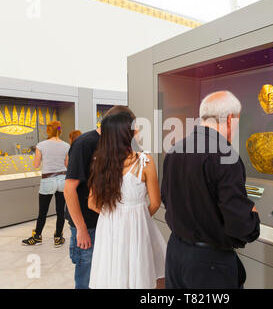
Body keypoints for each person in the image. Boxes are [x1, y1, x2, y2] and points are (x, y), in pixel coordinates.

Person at [161, 90, 260, 289]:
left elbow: (167, 197)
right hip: (209, 263)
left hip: (175, 253)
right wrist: (252, 216)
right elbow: (239, 223)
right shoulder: (226, 156)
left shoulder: (175, 149)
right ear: (231, 119)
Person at [87, 112, 165, 289]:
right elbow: (155, 202)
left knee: (113, 275)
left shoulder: (99, 162)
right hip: (137, 227)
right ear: (130, 132)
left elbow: (92, 203)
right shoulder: (145, 161)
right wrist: (136, 216)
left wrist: (114, 216)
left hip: (109, 228)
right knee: (144, 273)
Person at [63, 106, 136, 289]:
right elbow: (69, 189)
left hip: (107, 222)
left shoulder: (114, 144)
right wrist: (81, 229)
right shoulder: (84, 144)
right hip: (88, 224)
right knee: (86, 277)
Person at [22, 121, 70, 247]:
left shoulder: (41, 145)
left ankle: (37, 236)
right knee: (60, 211)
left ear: (48, 131)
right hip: (62, 180)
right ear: (60, 130)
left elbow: (36, 164)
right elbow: (67, 165)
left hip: (47, 180)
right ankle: (58, 237)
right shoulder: (66, 145)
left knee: (42, 211)